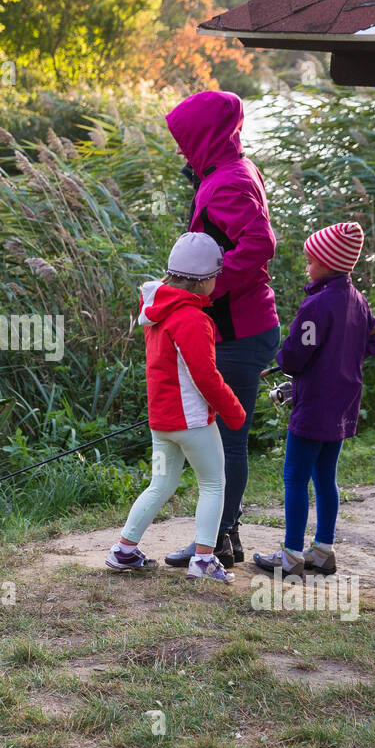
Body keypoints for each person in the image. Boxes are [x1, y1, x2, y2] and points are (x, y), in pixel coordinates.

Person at [163, 90, 280, 570]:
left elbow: (259, 244)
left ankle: (218, 539)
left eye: (184, 139)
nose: (179, 149)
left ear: (204, 135)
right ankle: (223, 536)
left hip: (239, 328)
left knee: (226, 438)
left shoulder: (227, 182)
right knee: (223, 437)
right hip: (245, 324)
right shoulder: (231, 170)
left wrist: (202, 293)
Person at [110, 232, 247, 583]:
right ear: (203, 280)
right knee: (214, 483)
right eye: (215, 276)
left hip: (162, 424)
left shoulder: (156, 313)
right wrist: (234, 412)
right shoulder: (193, 319)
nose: (217, 282)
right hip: (193, 424)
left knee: (160, 483)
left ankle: (124, 550)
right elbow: (206, 376)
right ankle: (203, 560)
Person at [253, 222, 375, 577]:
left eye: (311, 261)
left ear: (327, 263)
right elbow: (374, 342)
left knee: (294, 476)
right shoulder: (358, 300)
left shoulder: (317, 305)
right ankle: (323, 551)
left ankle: (291, 555)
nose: (307, 267)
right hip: (344, 403)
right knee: (326, 476)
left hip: (314, 405)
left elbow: (296, 356)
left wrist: (281, 362)